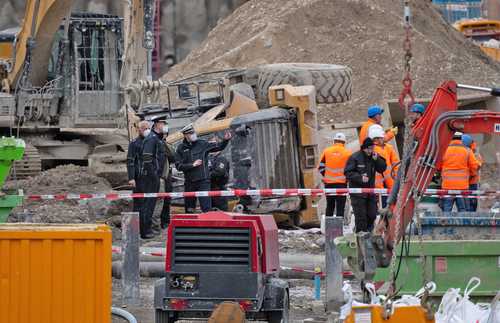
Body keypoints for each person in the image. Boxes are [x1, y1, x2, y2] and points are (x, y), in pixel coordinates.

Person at [176, 124, 232, 213]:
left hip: (203, 181)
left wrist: (226, 140)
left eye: (193, 132)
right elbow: (178, 166)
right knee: (190, 209)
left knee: (206, 208)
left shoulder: (202, 144)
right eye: (191, 133)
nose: (193, 134)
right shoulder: (181, 148)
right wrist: (192, 165)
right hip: (189, 182)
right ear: (186, 135)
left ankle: (208, 225)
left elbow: (218, 146)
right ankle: (191, 225)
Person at [344, 137, 387, 233]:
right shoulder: (355, 157)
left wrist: (377, 160)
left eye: (372, 148)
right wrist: (360, 178)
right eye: (369, 148)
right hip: (357, 194)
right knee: (361, 217)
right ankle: (361, 236)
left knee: (372, 215)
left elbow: (382, 168)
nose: (371, 151)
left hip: (370, 192)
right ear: (364, 148)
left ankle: (367, 232)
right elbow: (347, 173)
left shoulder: (374, 157)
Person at [140, 115, 170, 238]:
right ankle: (146, 231)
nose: (165, 126)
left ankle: (149, 229)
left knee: (153, 204)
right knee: (149, 204)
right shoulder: (151, 139)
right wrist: (154, 176)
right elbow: (147, 159)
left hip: (156, 176)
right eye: (163, 123)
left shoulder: (158, 139)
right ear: (157, 124)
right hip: (151, 178)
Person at [439, 132, 480, 212]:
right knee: (463, 210)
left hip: (447, 186)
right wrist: (470, 176)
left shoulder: (444, 150)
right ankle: (462, 225)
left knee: (446, 210)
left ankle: (446, 224)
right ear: (461, 139)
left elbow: (439, 166)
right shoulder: (467, 151)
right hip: (462, 187)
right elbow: (474, 167)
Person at [318, 132, 352, 218]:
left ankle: (329, 228)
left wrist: (326, 176)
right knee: (340, 207)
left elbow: (320, 167)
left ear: (334, 141)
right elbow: (351, 169)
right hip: (342, 185)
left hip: (329, 184)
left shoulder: (327, 151)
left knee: (330, 206)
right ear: (344, 142)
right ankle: (338, 228)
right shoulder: (347, 153)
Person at [369, 125, 400, 208]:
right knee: (382, 202)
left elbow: (395, 163)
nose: (383, 139)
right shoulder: (372, 149)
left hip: (390, 179)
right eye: (381, 138)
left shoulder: (388, 148)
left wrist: (397, 176)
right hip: (378, 182)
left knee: (392, 201)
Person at [127, 120, 151, 216]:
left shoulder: (152, 141)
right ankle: (138, 227)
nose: (147, 130)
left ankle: (147, 228)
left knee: (150, 203)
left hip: (151, 177)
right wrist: (131, 178)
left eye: (149, 128)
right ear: (139, 130)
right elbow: (130, 161)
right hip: (139, 177)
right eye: (145, 129)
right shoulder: (134, 143)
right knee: (139, 203)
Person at [159, 125, 177, 229]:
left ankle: (165, 222)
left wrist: (164, 143)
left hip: (166, 176)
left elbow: (173, 156)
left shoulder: (166, 144)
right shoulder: (153, 143)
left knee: (167, 200)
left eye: (165, 134)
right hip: (157, 176)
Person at [462, 134, 482, 212]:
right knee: (467, 203)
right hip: (466, 182)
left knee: (470, 204)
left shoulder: (475, 154)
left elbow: (476, 169)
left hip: (471, 183)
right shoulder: (472, 153)